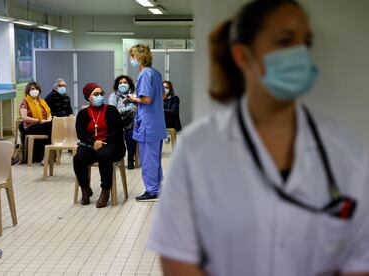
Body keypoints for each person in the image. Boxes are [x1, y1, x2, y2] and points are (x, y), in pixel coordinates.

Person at [148, 1, 369, 275]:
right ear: (243, 56)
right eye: (285, 41)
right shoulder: (198, 148)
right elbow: (176, 256)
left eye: (306, 42)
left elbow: (362, 259)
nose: (300, 53)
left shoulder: (346, 150)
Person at [73, 82, 125, 208]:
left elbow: (117, 131)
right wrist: (93, 142)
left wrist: (103, 143)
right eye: (96, 94)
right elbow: (81, 134)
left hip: (113, 145)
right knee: (78, 158)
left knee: (104, 156)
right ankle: (85, 189)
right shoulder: (83, 114)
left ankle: (105, 191)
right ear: (88, 97)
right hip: (90, 146)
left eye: (101, 94)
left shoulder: (111, 110)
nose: (99, 96)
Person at [128, 44, 167, 201]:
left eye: (132, 56)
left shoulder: (144, 74)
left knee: (148, 160)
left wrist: (133, 98)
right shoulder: (156, 73)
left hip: (148, 124)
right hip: (157, 123)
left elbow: (146, 99)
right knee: (155, 158)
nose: (132, 59)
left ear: (139, 57)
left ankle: (152, 191)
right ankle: (157, 186)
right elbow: (163, 96)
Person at [108, 75, 137, 170]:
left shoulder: (134, 95)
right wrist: (127, 109)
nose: (122, 84)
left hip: (131, 122)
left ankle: (130, 160)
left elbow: (135, 109)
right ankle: (117, 158)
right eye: (120, 83)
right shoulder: (113, 96)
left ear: (129, 84)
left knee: (131, 133)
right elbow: (112, 111)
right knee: (115, 133)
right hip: (117, 123)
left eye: (125, 83)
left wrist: (120, 110)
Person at [19, 82, 52, 163]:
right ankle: (47, 156)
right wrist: (38, 121)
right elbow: (24, 117)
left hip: (43, 125)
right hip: (31, 126)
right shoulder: (25, 102)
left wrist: (47, 121)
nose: (35, 91)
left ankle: (47, 156)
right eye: (33, 89)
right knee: (51, 127)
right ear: (28, 90)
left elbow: (49, 114)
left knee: (52, 128)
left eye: (37, 89)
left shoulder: (42, 101)